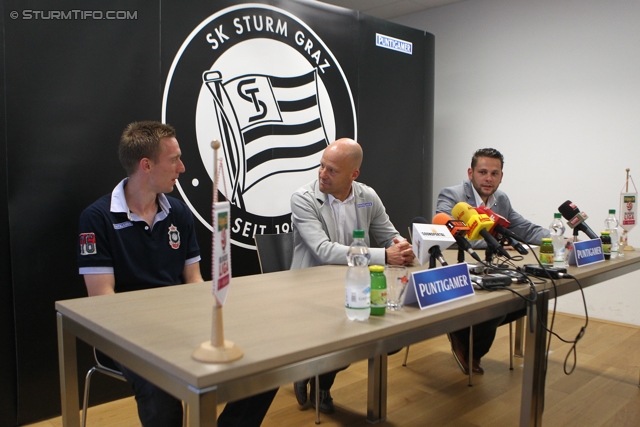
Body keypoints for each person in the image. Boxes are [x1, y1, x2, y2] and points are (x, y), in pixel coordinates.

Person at [77, 121, 276, 427]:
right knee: (161, 390)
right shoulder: (97, 217)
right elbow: (102, 300)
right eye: (174, 159)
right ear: (146, 165)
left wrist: (212, 317)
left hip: (182, 322)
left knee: (266, 363)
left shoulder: (178, 212)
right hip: (129, 333)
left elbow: (194, 280)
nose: (182, 168)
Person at [290, 137, 414, 413]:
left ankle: (319, 379)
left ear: (353, 174)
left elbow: (388, 234)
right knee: (341, 333)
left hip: (353, 282)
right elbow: (323, 250)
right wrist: (384, 256)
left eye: (332, 170)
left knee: (372, 334)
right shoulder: (303, 198)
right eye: (321, 166)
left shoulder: (367, 197)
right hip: (310, 286)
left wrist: (401, 247)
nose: (323, 174)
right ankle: (308, 372)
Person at [436, 147, 549, 375]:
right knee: (496, 303)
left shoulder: (501, 199)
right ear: (471, 173)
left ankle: (467, 337)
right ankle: (465, 342)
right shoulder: (452, 195)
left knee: (524, 297)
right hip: (453, 267)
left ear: (501, 177)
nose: (488, 179)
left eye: (494, 174)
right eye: (483, 172)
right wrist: (492, 243)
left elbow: (524, 228)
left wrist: (555, 239)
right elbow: (448, 236)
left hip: (486, 267)